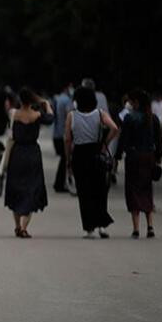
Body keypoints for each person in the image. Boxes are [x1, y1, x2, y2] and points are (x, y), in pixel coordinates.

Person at [64, 87, 119, 239]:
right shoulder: (100, 113)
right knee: (100, 191)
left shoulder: (71, 116)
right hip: (96, 153)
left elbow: (67, 139)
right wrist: (104, 144)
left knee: (84, 193)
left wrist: (68, 158)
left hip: (80, 155)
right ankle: (102, 226)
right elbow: (114, 128)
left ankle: (90, 229)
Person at [4, 88, 54, 238]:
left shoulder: (13, 114)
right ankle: (24, 227)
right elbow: (50, 119)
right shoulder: (37, 115)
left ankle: (17, 226)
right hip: (32, 153)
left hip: (17, 153)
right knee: (31, 188)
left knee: (16, 187)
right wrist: (46, 104)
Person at [117, 89, 162, 238]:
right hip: (148, 157)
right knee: (146, 190)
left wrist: (117, 156)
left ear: (136, 102)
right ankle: (150, 226)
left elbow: (123, 140)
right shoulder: (153, 118)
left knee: (133, 191)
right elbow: (159, 141)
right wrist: (157, 157)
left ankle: (136, 229)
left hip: (133, 157)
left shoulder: (130, 118)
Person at [52, 83, 73, 192]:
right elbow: (69, 116)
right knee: (65, 158)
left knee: (64, 158)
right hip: (64, 133)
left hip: (57, 132)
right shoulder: (67, 100)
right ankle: (59, 183)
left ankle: (59, 183)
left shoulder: (57, 99)